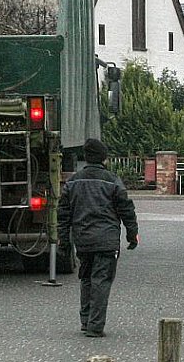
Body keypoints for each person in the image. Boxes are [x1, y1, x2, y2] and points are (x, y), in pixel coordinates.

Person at [56, 138, 139, 337]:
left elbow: (63, 214)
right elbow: (126, 208)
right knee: (101, 280)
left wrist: (64, 241)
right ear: (104, 158)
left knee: (85, 278)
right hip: (107, 241)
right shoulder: (112, 181)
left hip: (83, 240)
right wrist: (132, 234)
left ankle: (85, 321)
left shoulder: (73, 181)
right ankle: (95, 326)